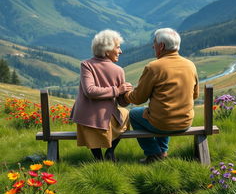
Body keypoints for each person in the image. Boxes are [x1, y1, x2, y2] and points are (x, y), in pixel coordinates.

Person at [124, 28, 199, 164]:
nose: (153, 46)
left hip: (162, 123)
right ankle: (163, 151)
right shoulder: (190, 65)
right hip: (185, 122)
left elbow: (138, 99)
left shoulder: (154, 67)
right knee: (161, 112)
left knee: (134, 114)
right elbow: (195, 95)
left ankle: (154, 154)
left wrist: (125, 93)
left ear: (162, 46)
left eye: (155, 43)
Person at [71, 29, 132, 161]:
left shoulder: (86, 65)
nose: (120, 51)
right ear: (107, 50)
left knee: (92, 125)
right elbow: (91, 91)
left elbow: (89, 91)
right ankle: (110, 152)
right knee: (126, 114)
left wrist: (123, 91)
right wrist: (120, 91)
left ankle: (98, 159)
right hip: (104, 120)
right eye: (118, 47)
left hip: (85, 119)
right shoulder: (118, 70)